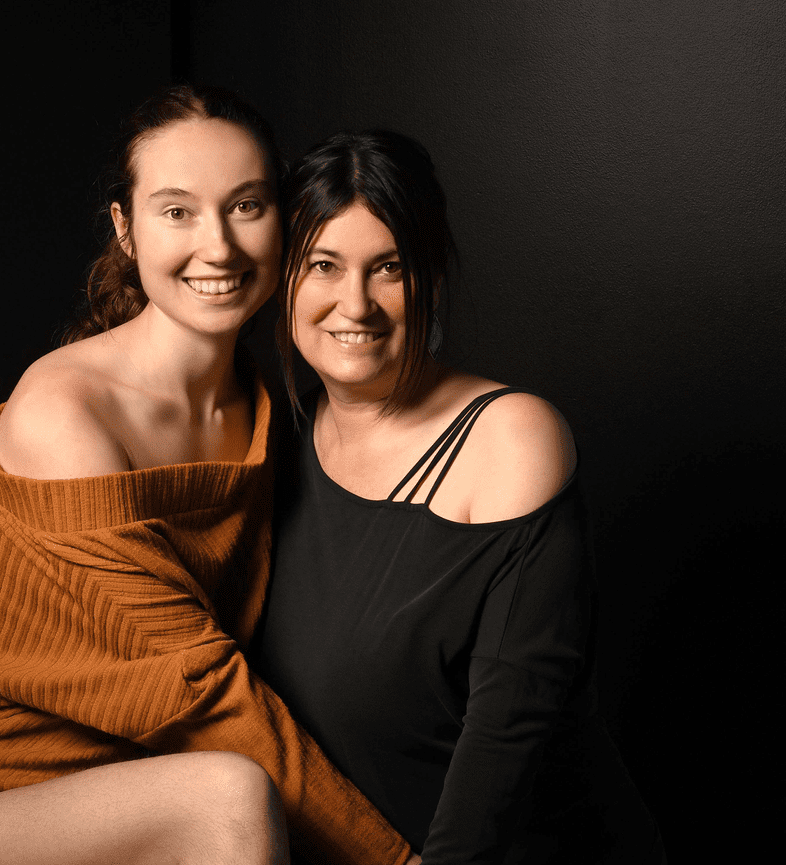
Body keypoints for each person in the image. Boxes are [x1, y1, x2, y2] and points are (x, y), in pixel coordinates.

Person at [0, 88, 414, 865]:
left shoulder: (265, 405)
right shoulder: (65, 413)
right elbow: (199, 692)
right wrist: (397, 860)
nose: (219, 247)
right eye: (177, 212)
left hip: (170, 803)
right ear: (125, 229)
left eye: (245, 206)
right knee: (230, 794)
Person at [253, 130, 666, 864]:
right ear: (284, 278)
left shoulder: (511, 438)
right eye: (323, 265)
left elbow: (505, 748)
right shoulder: (270, 441)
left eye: (389, 268)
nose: (356, 303)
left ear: (431, 277)